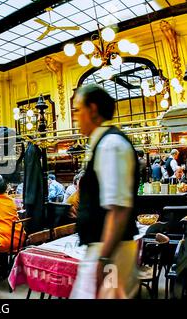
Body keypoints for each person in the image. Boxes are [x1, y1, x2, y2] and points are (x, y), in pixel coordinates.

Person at [70, 84, 139, 299]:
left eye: (78, 110)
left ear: (92, 109)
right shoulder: (102, 142)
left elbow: (118, 210)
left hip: (111, 252)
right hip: (105, 250)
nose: (75, 117)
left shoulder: (110, 144)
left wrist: (103, 260)